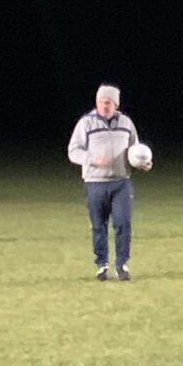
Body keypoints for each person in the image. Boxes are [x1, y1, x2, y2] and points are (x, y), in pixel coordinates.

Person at [65, 83, 141, 281]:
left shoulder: (126, 122)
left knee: (123, 223)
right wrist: (92, 159)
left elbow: (135, 149)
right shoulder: (86, 123)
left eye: (108, 102)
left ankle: (122, 265)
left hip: (121, 182)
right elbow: (73, 151)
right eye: (100, 101)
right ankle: (101, 265)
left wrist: (142, 162)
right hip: (95, 182)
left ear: (116, 104)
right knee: (98, 225)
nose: (104, 105)